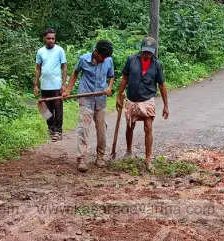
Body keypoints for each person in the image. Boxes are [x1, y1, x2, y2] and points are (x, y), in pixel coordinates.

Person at [116, 36, 169, 172]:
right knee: (130, 126)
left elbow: (162, 86)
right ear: (141, 50)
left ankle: (148, 158)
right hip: (132, 98)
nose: (147, 54)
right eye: (145, 52)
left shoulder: (157, 65)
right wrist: (119, 95)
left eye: (150, 52)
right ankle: (128, 151)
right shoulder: (131, 60)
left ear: (153, 52)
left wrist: (166, 105)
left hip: (147, 99)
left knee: (148, 127)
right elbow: (125, 78)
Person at [63, 40, 115, 172]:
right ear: (96, 52)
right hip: (85, 97)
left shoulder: (108, 60)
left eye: (106, 57)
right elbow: (75, 73)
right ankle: (81, 159)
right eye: (102, 57)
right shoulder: (83, 60)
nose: (104, 60)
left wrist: (109, 87)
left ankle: (100, 157)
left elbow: (111, 76)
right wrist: (68, 90)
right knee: (84, 128)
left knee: (102, 129)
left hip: (101, 99)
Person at [34, 28, 67, 142]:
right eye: (49, 38)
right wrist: (36, 85)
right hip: (44, 85)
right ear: (44, 39)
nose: (51, 40)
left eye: (53, 38)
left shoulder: (60, 50)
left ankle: (58, 131)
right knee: (45, 109)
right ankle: (51, 128)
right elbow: (38, 69)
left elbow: (64, 67)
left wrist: (64, 84)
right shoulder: (40, 51)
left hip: (57, 85)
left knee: (58, 109)